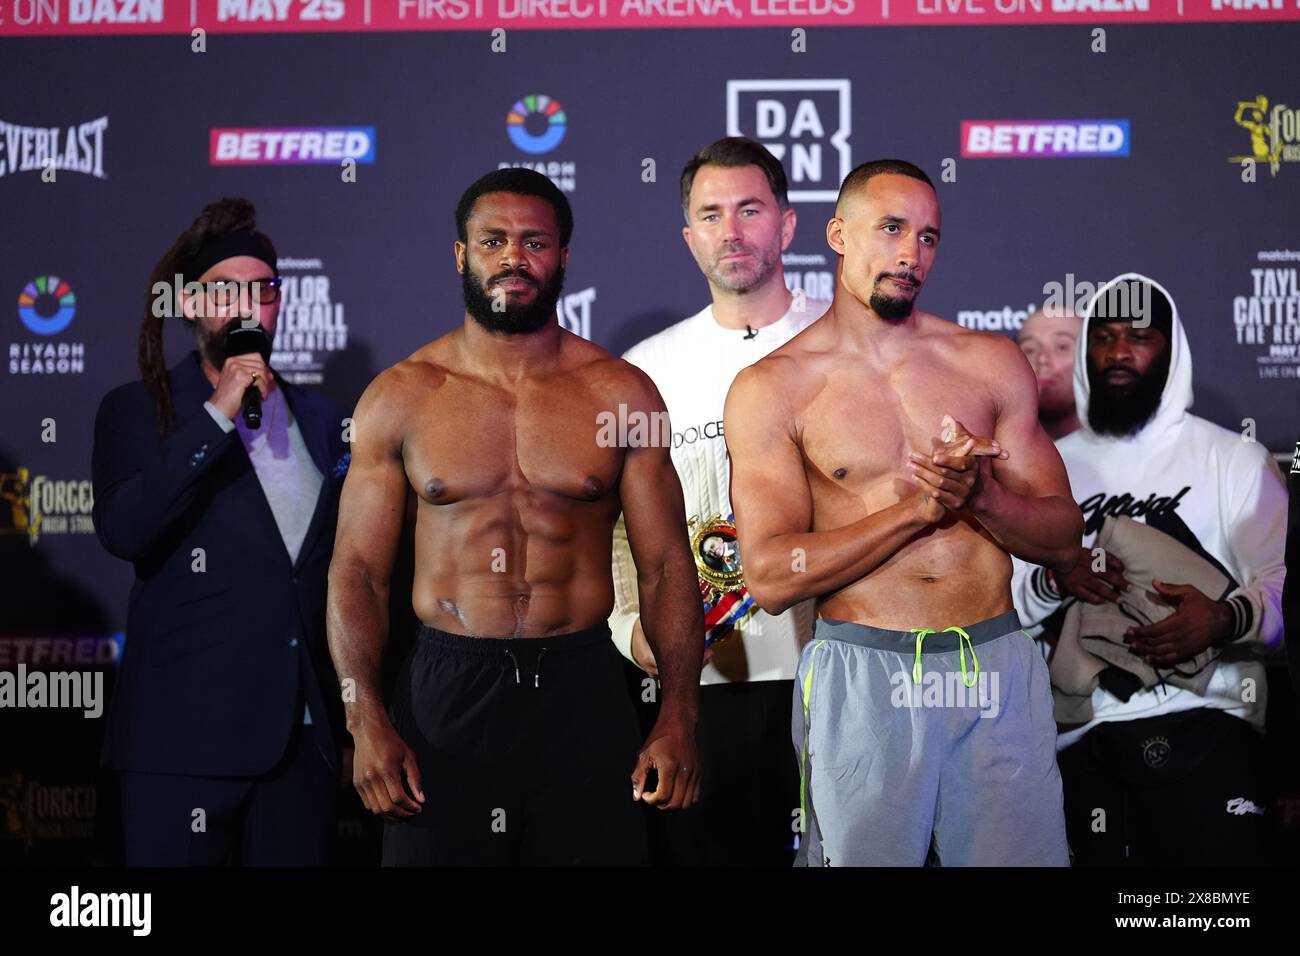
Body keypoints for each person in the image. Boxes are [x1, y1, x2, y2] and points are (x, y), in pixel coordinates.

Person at [327, 168, 703, 866]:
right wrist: (364, 719)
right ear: (461, 254)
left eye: (534, 242)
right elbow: (357, 574)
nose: (513, 258)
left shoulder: (621, 393)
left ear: (563, 257)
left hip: (582, 690)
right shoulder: (402, 396)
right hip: (446, 691)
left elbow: (665, 566)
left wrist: (678, 712)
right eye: (493, 240)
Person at [724, 159, 1082, 866]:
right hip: (864, 675)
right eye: (891, 229)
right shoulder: (773, 388)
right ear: (837, 234)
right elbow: (769, 576)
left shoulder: (988, 362)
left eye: (927, 237)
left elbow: (1066, 535)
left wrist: (983, 498)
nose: (910, 254)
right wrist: (919, 510)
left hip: (994, 665)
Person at [91, 198, 349, 865]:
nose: (246, 305)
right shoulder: (138, 410)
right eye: (225, 290)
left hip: (300, 749)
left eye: (261, 290)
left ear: (279, 303)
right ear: (189, 304)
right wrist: (215, 416)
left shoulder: (323, 418)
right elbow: (125, 529)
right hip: (182, 749)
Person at [1012, 274, 1286, 865]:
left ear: (1172, 348)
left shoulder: (1234, 459)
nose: (1118, 353)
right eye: (1104, 338)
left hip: (1216, 720)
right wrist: (1054, 580)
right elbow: (1002, 601)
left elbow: (1281, 589)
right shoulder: (1050, 466)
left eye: (1140, 337)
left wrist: (1221, 618)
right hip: (1085, 737)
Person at [610, 137, 828, 866]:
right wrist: (632, 629)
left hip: (842, 673)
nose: (730, 231)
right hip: (704, 687)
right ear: (689, 237)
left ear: (788, 225)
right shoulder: (645, 371)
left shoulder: (848, 342)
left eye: (749, 209)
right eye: (710, 214)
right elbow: (618, 530)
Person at [1017, 306, 1083, 440]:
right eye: (1030, 349)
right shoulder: (992, 455)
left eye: (1062, 347)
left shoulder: (1125, 453)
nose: (1042, 359)